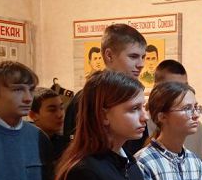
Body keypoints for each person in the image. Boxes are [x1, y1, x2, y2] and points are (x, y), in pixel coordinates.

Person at [64, 23, 149, 153]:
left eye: (143, 57)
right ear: (109, 55)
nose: (141, 64)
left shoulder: (135, 95)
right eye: (133, 56)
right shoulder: (87, 98)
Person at [149, 59, 202, 168]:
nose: (182, 93)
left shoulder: (197, 127)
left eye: (185, 86)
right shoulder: (141, 125)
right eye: (174, 88)